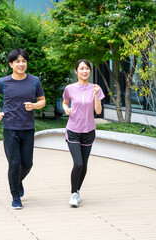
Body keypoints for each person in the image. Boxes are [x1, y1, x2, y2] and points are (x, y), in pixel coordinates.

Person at [0, 48, 46, 209]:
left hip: (28, 128)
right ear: (11, 64)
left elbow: (42, 101)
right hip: (10, 129)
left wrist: (34, 105)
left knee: (27, 164)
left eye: (24, 61)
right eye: (18, 61)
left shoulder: (34, 81)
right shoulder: (3, 82)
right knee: (14, 164)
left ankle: (17, 181)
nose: (21, 64)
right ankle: (15, 196)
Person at [62, 59, 105, 207]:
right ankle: (73, 193)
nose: (85, 71)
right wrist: (65, 109)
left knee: (84, 164)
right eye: (81, 69)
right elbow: (65, 101)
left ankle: (77, 190)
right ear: (76, 71)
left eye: (87, 69)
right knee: (78, 163)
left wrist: (95, 95)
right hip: (73, 129)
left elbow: (98, 111)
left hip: (89, 131)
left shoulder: (96, 88)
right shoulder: (70, 88)